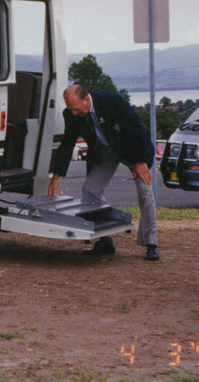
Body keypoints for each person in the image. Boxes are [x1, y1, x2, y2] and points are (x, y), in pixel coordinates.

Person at [49, 84, 159, 260]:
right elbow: (67, 144)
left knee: (145, 191)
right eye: (71, 109)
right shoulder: (71, 114)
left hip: (131, 148)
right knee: (90, 189)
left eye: (76, 109)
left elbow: (135, 129)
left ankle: (151, 243)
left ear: (87, 99)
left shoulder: (112, 101)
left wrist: (139, 162)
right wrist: (56, 176)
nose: (74, 113)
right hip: (105, 151)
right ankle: (105, 240)